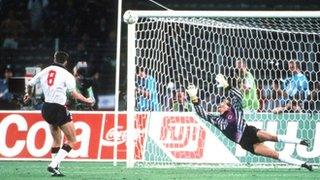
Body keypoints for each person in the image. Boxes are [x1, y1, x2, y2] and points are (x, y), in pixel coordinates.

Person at [186, 74, 313, 171]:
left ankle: (300, 141)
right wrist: (194, 99)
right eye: (218, 106)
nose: (219, 107)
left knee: (272, 137)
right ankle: (303, 164)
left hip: (250, 131)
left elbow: (238, 97)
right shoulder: (217, 120)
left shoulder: (235, 109)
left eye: (222, 105)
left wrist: (227, 86)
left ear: (228, 106)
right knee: (274, 155)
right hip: (245, 143)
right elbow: (202, 113)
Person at [23, 51, 94, 176]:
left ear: (54, 58)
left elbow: (30, 83)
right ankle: (53, 164)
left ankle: (55, 169)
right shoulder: (67, 75)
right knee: (72, 140)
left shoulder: (45, 70)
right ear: (66, 62)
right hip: (59, 108)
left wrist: (29, 94)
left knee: (57, 140)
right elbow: (73, 93)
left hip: (46, 108)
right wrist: (87, 101)